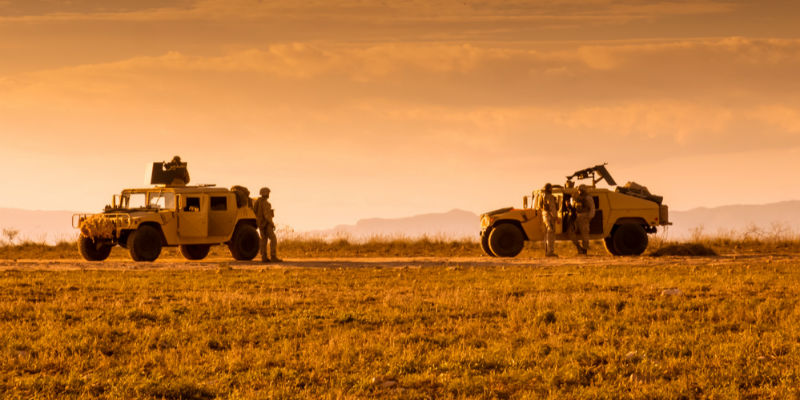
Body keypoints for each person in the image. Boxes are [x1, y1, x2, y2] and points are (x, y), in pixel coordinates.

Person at [253, 187, 281, 262]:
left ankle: (264, 257)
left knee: (264, 240)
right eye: (268, 193)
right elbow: (267, 215)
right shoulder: (265, 203)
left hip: (260, 224)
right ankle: (273, 256)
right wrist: (272, 224)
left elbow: (255, 211)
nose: (269, 194)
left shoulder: (258, 202)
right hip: (266, 224)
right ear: (265, 193)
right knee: (273, 239)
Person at [570, 184, 595, 255]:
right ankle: (579, 247)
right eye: (579, 190)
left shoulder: (588, 198)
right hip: (577, 216)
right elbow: (574, 206)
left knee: (585, 234)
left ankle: (584, 250)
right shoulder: (576, 198)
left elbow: (592, 208)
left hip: (584, 216)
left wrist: (589, 217)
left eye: (581, 189)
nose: (579, 191)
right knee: (571, 232)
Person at [536, 183, 559, 257]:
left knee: (546, 235)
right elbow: (552, 208)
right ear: (549, 189)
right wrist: (555, 217)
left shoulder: (542, 196)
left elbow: (539, 206)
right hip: (550, 216)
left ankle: (547, 252)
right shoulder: (550, 197)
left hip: (544, 215)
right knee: (550, 234)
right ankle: (550, 252)